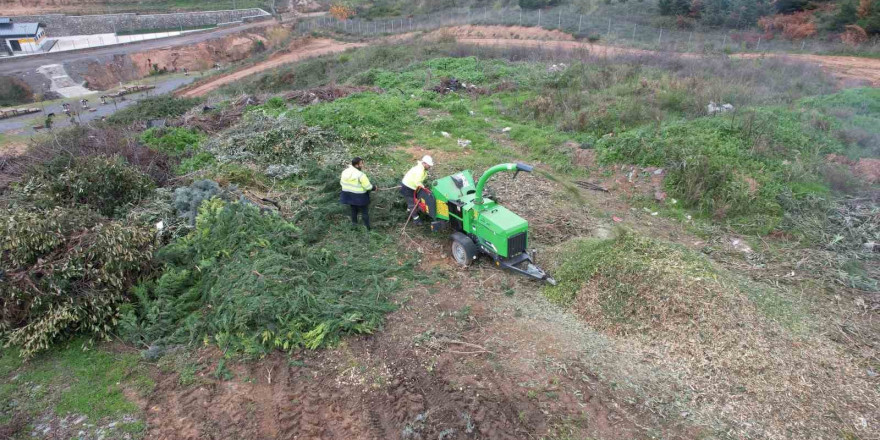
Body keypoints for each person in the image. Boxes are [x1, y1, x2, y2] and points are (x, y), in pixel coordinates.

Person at [340, 157, 374, 230]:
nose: (362, 165)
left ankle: (354, 226)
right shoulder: (360, 175)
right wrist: (374, 187)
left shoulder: (345, 172)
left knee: (353, 211)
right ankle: (368, 229)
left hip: (348, 195)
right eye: (361, 164)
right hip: (360, 197)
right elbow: (368, 187)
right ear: (356, 165)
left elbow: (342, 183)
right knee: (364, 212)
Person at [400, 155, 434, 225]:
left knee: (413, 202)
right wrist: (424, 189)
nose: (430, 167)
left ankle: (409, 212)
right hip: (408, 188)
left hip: (412, 187)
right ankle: (416, 220)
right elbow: (417, 182)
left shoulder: (422, 169)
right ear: (424, 163)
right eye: (429, 165)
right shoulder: (420, 170)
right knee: (412, 204)